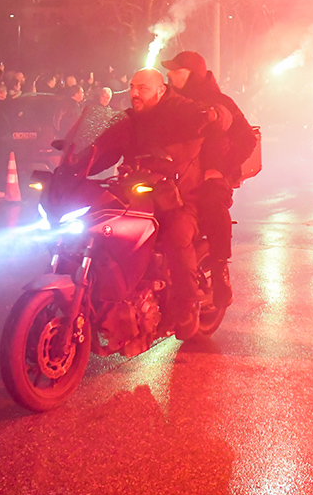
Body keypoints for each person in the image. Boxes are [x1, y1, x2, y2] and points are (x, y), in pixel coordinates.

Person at [86, 68, 231, 340]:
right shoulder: (130, 120)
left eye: (142, 88)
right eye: (131, 86)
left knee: (177, 234)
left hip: (182, 196)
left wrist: (212, 115)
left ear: (160, 90)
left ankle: (187, 304)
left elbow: (224, 117)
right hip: (140, 192)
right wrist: (82, 160)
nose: (134, 93)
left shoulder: (179, 109)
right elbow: (105, 148)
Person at [162, 51, 257, 308]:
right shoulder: (172, 101)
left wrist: (221, 169)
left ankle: (219, 271)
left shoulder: (219, 102)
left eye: (177, 71)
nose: (170, 75)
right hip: (178, 173)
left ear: (192, 74)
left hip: (210, 175)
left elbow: (248, 138)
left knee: (212, 203)